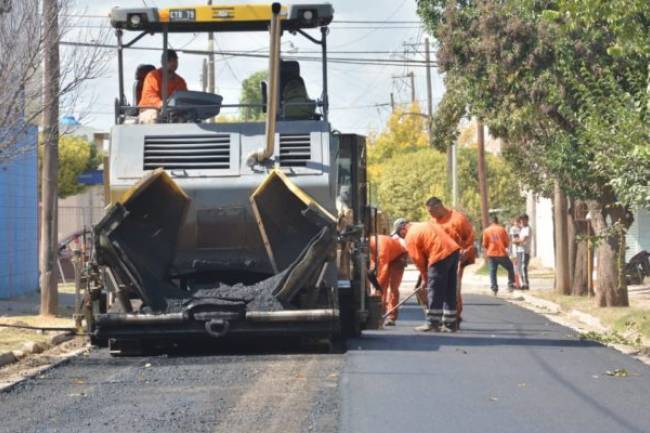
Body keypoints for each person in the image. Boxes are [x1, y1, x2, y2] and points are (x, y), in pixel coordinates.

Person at [425, 197, 475, 323]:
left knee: (453, 288)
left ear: (439, 207)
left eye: (431, 211)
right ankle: (441, 316)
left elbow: (469, 237)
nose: (430, 214)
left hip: (455, 258)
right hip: (437, 259)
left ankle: (454, 317)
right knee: (435, 288)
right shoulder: (433, 221)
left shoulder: (458, 219)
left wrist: (466, 252)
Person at [404, 221, 460, 332]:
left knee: (435, 289)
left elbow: (418, 259)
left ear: (403, 229)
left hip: (439, 255)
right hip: (453, 252)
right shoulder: (426, 224)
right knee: (449, 288)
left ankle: (433, 322)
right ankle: (450, 323)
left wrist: (425, 279)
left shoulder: (410, 236)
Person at [138, 49, 188, 124]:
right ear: (163, 62)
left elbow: (184, 97)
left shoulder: (181, 81)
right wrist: (163, 105)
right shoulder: (152, 76)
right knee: (153, 115)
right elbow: (149, 96)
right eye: (170, 60)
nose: (173, 63)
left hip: (173, 113)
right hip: (150, 109)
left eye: (175, 60)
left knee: (190, 119)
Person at [369, 233, 408, 327]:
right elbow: (372, 265)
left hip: (399, 257)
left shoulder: (381, 247)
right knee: (381, 287)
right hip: (388, 256)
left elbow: (383, 268)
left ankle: (391, 316)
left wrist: (376, 286)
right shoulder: (370, 245)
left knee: (392, 287)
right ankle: (380, 314)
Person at [482, 215, 516, 294]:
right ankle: (510, 285)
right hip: (501, 253)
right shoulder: (502, 229)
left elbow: (484, 244)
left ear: (491, 221)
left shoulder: (486, 231)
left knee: (492, 271)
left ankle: (494, 289)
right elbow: (506, 243)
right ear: (497, 221)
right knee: (510, 267)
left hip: (491, 253)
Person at [514, 214, 532, 290]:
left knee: (523, 267)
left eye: (523, 220)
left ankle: (526, 283)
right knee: (519, 268)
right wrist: (517, 241)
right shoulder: (522, 229)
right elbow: (517, 239)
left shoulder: (528, 228)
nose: (522, 221)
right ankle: (521, 283)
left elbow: (523, 239)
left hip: (525, 251)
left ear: (527, 220)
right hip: (519, 250)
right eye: (521, 220)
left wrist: (516, 241)